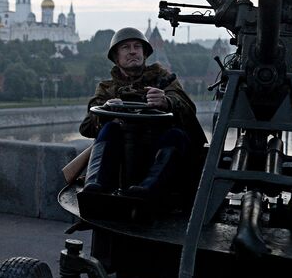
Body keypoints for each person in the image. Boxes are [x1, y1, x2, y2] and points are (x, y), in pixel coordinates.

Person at [78, 27, 206, 199]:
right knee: (109, 129)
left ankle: (147, 191)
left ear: (144, 54)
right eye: (125, 47)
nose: (132, 52)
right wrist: (107, 111)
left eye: (137, 47)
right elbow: (87, 127)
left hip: (158, 151)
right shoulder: (107, 89)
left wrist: (166, 101)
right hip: (123, 157)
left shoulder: (164, 79)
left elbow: (187, 108)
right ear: (116, 57)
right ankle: (95, 188)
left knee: (177, 135)